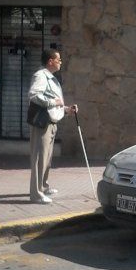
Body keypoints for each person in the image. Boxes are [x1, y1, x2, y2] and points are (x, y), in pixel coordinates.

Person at [28, 49, 77, 204]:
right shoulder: (41, 76)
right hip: (43, 124)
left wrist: (67, 110)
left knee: (47, 158)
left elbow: (55, 104)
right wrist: (53, 102)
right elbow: (34, 95)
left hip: (51, 122)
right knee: (39, 158)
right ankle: (36, 194)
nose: (60, 62)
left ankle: (43, 186)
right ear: (50, 61)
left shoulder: (51, 77)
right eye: (58, 59)